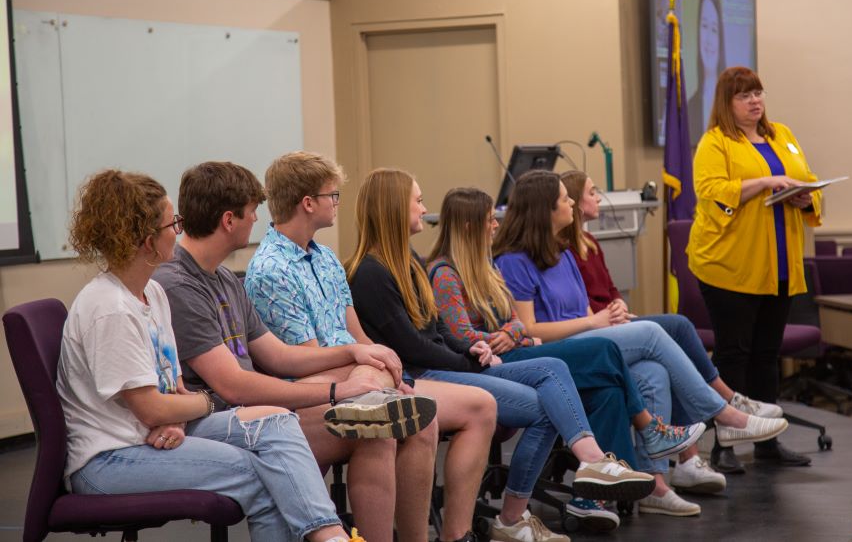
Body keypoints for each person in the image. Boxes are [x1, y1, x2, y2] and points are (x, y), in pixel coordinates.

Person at [346, 168, 658, 542]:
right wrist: (471, 357)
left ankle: (527, 506)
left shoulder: (411, 261)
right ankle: (583, 466)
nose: (425, 209)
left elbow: (443, 329)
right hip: (420, 375)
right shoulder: (372, 273)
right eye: (418, 201)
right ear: (395, 208)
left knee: (552, 382)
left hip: (445, 363)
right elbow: (412, 347)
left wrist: (470, 347)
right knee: (570, 371)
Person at [58, 169, 362, 542]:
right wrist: (201, 405)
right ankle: (331, 537)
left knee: (277, 421)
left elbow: (172, 390)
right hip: (110, 458)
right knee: (264, 475)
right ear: (147, 240)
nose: (179, 231)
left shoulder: (152, 293)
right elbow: (152, 409)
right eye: (172, 224)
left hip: (154, 434)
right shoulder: (110, 309)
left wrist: (177, 418)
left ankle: (330, 535)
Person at [152, 162, 439, 542]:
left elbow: (278, 355)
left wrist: (354, 353)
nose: (258, 219)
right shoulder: (178, 284)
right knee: (373, 425)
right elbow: (234, 386)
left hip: (249, 413)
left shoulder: (223, 278)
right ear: (229, 220)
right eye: (252, 211)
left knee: (377, 427)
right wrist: (339, 390)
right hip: (219, 421)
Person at [492, 169, 789, 517]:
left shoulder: (564, 253)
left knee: (652, 372)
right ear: (544, 210)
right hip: (548, 350)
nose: (572, 203)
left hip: (584, 339)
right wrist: (595, 322)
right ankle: (724, 414)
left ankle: (653, 482)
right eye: (565, 198)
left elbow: (585, 311)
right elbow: (527, 329)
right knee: (652, 332)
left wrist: (608, 317)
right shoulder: (514, 261)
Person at [244, 151, 496, 542]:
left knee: (416, 418)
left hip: (357, 380)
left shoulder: (325, 258)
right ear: (308, 203)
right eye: (332, 195)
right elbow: (305, 363)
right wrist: (368, 364)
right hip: (311, 393)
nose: (337, 203)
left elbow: (357, 336)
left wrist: (383, 367)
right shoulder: (271, 269)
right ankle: (379, 397)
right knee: (380, 425)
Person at [428, 186, 707, 528]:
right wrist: (500, 337)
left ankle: (596, 493)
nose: (495, 225)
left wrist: (510, 334)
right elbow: (459, 335)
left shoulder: (486, 266)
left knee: (608, 390)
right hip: (487, 365)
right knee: (605, 349)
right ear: (469, 226)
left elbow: (515, 321)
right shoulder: (445, 274)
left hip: (514, 351)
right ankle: (647, 431)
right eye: (489, 220)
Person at [559, 169, 784, 478]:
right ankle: (726, 404)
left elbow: (610, 290)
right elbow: (580, 307)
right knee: (675, 328)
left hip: (611, 321)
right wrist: (608, 317)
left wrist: (619, 304)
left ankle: (674, 469)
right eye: (591, 192)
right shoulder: (564, 251)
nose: (598, 198)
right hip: (598, 329)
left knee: (663, 363)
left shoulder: (590, 242)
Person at [689, 66, 822, 470]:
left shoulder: (781, 135)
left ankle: (767, 442)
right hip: (730, 265)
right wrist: (765, 183)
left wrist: (806, 198)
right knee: (734, 354)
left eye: (758, 93)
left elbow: (806, 178)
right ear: (727, 103)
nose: (755, 101)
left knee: (767, 354)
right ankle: (724, 445)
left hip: (778, 264)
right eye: (744, 95)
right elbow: (710, 191)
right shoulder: (715, 142)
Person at [686, 0, 726, 142]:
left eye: (714, 29)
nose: (708, 39)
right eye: (704, 26)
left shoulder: (736, 108)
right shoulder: (689, 108)